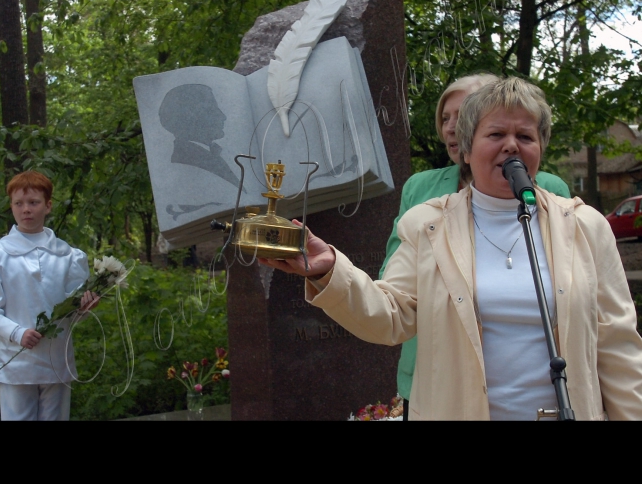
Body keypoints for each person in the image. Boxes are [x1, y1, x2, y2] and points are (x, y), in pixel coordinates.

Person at [260, 77, 642, 420]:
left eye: (525, 137)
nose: (512, 145)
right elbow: (391, 316)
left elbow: (619, 346)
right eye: (496, 135)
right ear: (466, 148)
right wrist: (331, 270)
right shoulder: (427, 225)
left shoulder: (585, 227)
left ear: (540, 148)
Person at [380, 73, 571, 419]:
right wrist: (328, 271)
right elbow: (393, 294)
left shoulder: (566, 209)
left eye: (462, 114)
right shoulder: (423, 200)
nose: (451, 127)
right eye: (445, 118)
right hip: (440, 377)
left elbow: (612, 336)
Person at [0, 171, 98, 421]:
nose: (26, 209)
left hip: (57, 358)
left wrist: (83, 308)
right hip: (16, 360)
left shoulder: (69, 256)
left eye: (34, 203)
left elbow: (72, 315)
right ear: (11, 207)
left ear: (48, 206)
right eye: (19, 203)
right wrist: (17, 332)